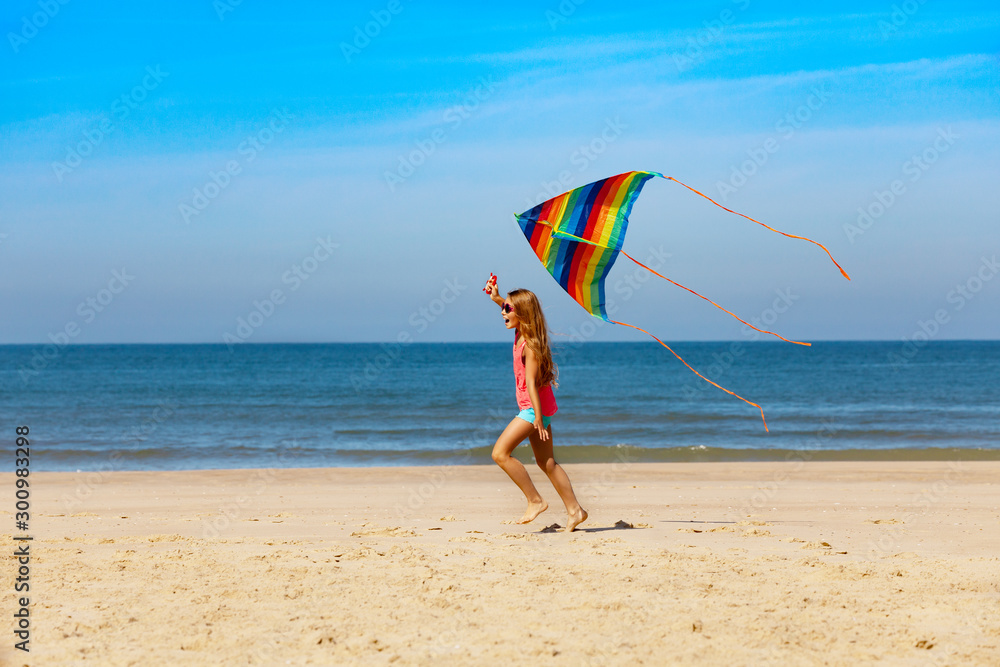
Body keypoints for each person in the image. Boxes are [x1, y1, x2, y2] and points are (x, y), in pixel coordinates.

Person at [484, 274, 588, 532]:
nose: (503, 313)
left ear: (522, 314)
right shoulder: (522, 330)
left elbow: (530, 383)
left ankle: (535, 500)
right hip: (538, 408)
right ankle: (575, 510)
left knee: (500, 453)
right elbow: (509, 309)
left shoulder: (529, 345)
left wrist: (537, 418)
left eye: (508, 309)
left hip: (533, 410)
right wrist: (497, 297)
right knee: (547, 462)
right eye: (504, 308)